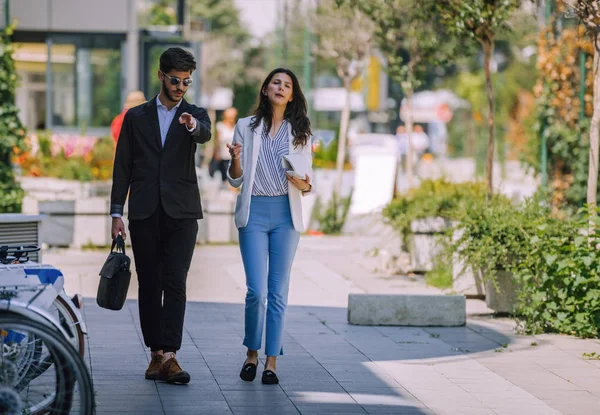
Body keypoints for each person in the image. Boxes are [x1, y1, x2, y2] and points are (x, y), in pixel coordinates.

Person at [110, 47, 211, 385]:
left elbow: (205, 133)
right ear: (160, 76)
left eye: (186, 81)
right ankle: (156, 355)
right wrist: (116, 212)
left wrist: (192, 124)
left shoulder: (195, 114)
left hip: (182, 212)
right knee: (150, 282)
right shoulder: (135, 117)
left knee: (175, 280)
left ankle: (169, 354)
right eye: (175, 80)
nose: (181, 87)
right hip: (144, 210)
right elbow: (122, 167)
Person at [227, 68, 313, 385]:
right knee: (256, 291)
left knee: (278, 293)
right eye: (276, 82)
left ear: (292, 95)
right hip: (254, 214)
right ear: (265, 90)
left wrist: (301, 181)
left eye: (287, 85)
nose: (281, 87)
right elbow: (235, 179)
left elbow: (307, 185)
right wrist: (235, 158)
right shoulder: (245, 127)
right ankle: (252, 353)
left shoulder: (300, 131)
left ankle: (271, 361)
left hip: (285, 216)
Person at [210, 107, 238, 185]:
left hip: (233, 157)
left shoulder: (236, 127)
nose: (232, 119)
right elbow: (217, 141)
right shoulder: (220, 126)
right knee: (222, 177)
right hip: (222, 156)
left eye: (233, 117)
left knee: (232, 178)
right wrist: (216, 153)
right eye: (230, 117)